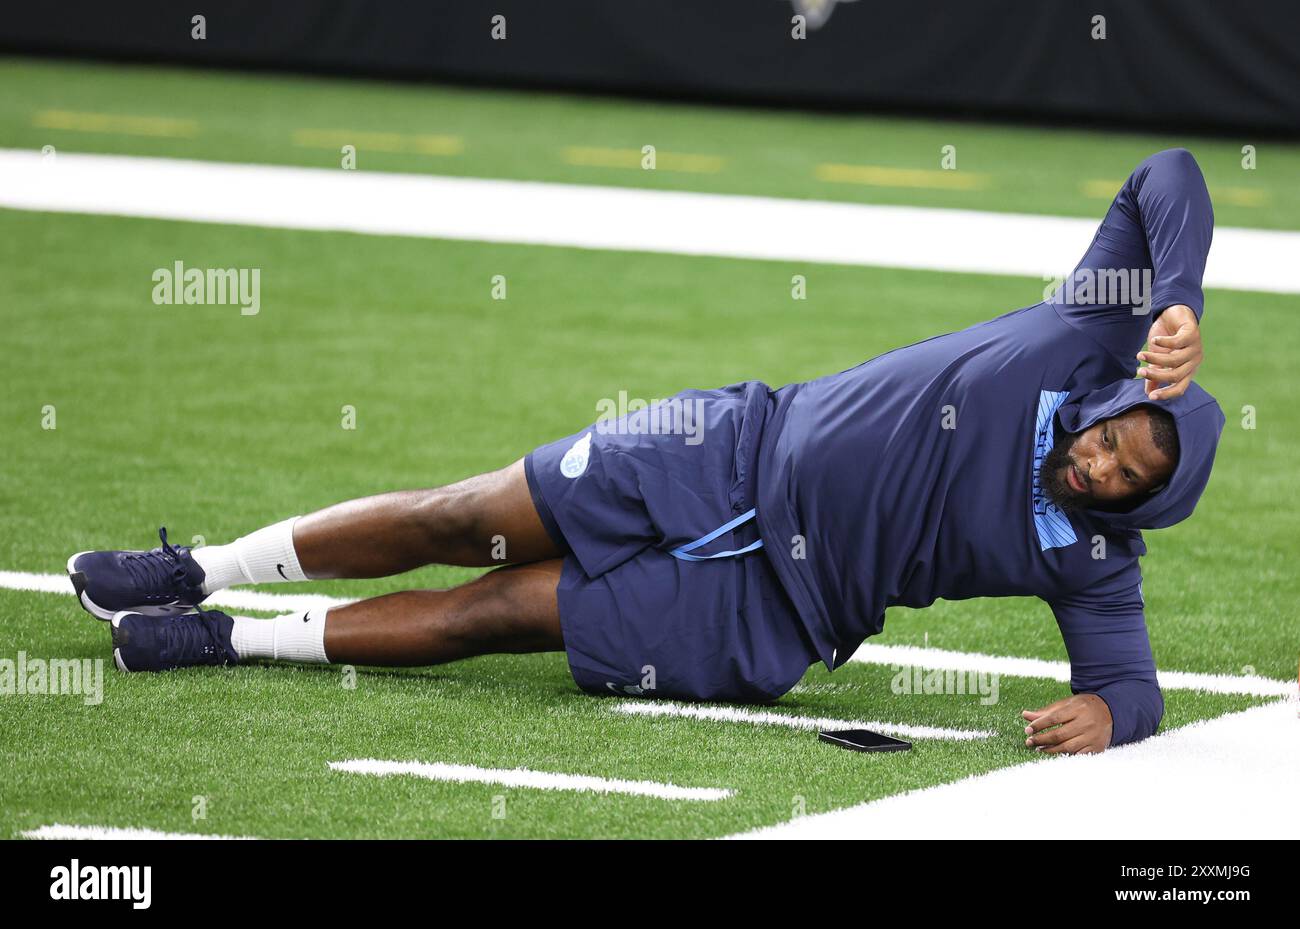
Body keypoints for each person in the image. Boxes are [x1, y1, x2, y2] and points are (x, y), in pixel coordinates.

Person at [67, 149, 1221, 754]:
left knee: (497, 613)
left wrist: (1113, 715)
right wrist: (1175, 296)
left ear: (1140, 510)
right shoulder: (1087, 328)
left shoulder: (1090, 555)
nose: (1107, 464)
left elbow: (1130, 681)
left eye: (1134, 481)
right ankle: (199, 566)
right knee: (456, 510)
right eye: (1119, 438)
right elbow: (1164, 172)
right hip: (723, 444)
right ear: (1116, 398)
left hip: (764, 613)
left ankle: (224, 639)